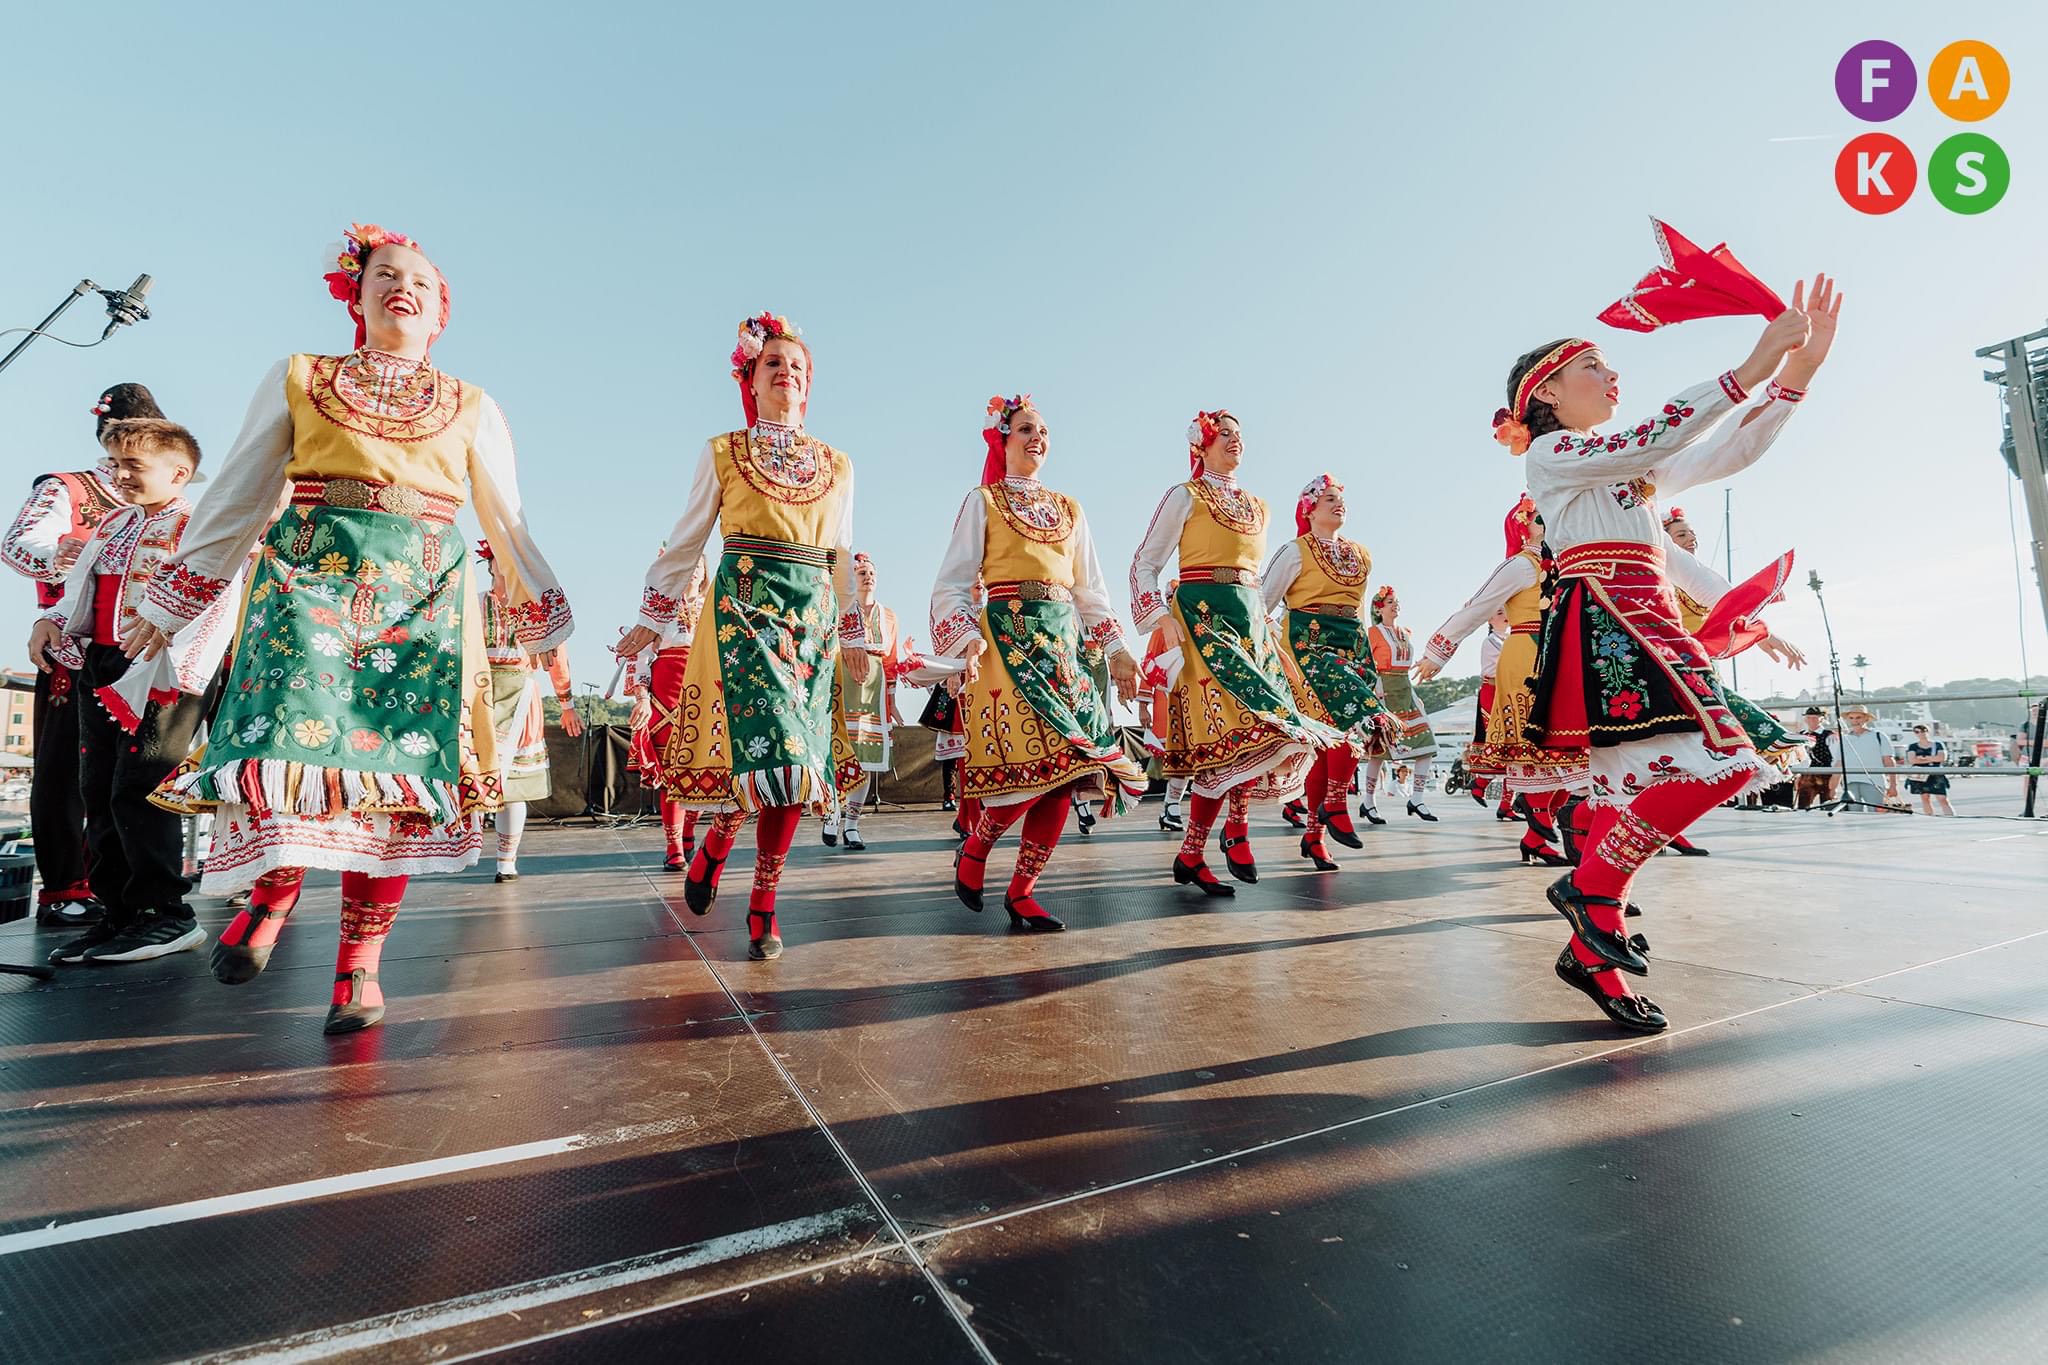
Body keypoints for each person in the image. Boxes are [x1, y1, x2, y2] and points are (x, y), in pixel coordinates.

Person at [123, 223, 575, 1033]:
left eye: (422, 283)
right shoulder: (301, 377)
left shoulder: (473, 404)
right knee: (293, 751)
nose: (402, 286)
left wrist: (545, 625)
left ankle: (358, 969)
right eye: (385, 274)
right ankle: (272, 895)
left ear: (441, 314)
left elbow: (508, 523)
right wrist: (170, 601)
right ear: (356, 295)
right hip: (307, 586)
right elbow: (238, 492)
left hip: (425, 605)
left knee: (399, 784)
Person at [1507, 271, 1841, 1034]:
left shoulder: (1629, 473)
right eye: (1593, 366)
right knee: (1729, 755)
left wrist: (1797, 374)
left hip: (1650, 618)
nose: (1611, 373)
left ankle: (1591, 942)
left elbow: (1727, 451)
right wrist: (1750, 367)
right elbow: (1659, 434)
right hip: (1614, 619)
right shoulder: (1556, 456)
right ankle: (1593, 893)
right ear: (1549, 392)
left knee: (1691, 769)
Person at [618, 312, 871, 961]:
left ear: (809, 385)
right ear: (751, 379)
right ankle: (717, 848)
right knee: (765, 754)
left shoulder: (838, 465)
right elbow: (689, 537)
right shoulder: (724, 452)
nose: (787, 371)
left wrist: (854, 636)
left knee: (795, 764)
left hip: (808, 624)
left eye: (798, 365)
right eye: (774, 363)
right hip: (744, 617)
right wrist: (651, 620)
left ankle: (760, 896)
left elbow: (841, 555)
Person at [932, 396, 1146, 930]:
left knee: (1070, 767)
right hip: (1007, 641)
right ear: (1001, 440)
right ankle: (977, 850)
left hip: (1064, 646)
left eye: (1044, 431)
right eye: (1026, 428)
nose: (1038, 437)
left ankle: (1023, 889)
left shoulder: (1071, 509)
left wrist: (1118, 650)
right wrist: (967, 639)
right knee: (1040, 762)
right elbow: (953, 583)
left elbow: (1090, 590)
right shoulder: (984, 501)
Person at [30, 418, 231, 964]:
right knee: (96, 787)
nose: (119, 475)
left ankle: (166, 913)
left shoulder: (201, 524)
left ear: (180, 472)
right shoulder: (115, 522)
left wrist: (185, 667)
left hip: (164, 666)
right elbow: (80, 588)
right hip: (103, 661)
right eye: (115, 464)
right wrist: (48, 620)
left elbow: (219, 596)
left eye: (133, 466)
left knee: (142, 786)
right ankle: (119, 912)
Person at [1130, 410, 1340, 895]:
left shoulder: (1257, 506)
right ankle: (1231, 833)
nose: (1234, 441)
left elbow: (1257, 582)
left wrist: (1269, 631)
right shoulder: (1185, 495)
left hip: (1250, 626)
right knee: (1242, 730)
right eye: (1223, 433)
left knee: (1256, 734)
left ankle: (1196, 850)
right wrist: (1158, 619)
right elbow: (1145, 563)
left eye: (1239, 435)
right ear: (1200, 445)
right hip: (1204, 622)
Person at [4, 387, 136, 927]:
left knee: (132, 769)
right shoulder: (69, 488)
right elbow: (17, 544)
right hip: (71, 645)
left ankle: (121, 880)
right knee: (64, 767)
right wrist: (56, 557)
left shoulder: (162, 502)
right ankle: (63, 888)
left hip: (138, 649)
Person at [1418, 494, 1581, 864]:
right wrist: (1438, 651)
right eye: (1542, 517)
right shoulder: (1520, 566)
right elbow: (1477, 606)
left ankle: (1536, 834)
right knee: (1539, 745)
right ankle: (1539, 831)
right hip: (1526, 655)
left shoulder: (1564, 564)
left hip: (1560, 654)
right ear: (1525, 525)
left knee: (1567, 753)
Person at [1262, 474, 1391, 869]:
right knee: (1356, 719)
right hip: (1309, 643)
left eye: (1341, 499)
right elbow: (1262, 602)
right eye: (1329, 499)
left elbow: (1361, 605)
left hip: (1351, 642)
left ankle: (1315, 835)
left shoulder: (1361, 554)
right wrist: (1268, 656)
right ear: (1310, 508)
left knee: (1333, 742)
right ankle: (1335, 802)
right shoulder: (1295, 552)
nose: (1339, 504)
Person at [479, 542, 582, 881]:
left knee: (514, 786)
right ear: (491, 565)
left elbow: (557, 655)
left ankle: (506, 861)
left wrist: (566, 703)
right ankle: (465, 851)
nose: (505, 570)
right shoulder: (476, 604)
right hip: (480, 693)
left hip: (521, 693)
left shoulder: (534, 609)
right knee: (472, 777)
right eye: (500, 562)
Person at [623, 552, 710, 870]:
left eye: (698, 566)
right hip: (665, 696)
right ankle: (674, 847)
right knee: (672, 775)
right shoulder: (658, 611)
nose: (693, 572)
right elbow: (641, 656)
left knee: (703, 773)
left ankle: (688, 834)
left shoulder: (714, 610)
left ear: (704, 573)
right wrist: (642, 697)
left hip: (704, 694)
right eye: (687, 566)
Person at [824, 552, 913, 852]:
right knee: (839, 752)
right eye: (861, 572)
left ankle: (852, 823)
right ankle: (832, 814)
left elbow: (890, 662)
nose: (867, 576)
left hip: (873, 692)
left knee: (867, 757)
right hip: (842, 686)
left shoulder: (889, 616)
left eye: (871, 572)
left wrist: (892, 701)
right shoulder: (838, 609)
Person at [1364, 586, 1439, 822]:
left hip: (1405, 688)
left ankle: (1417, 797)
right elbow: (1366, 663)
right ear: (1379, 608)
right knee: (1379, 750)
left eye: (1396, 602)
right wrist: (1374, 691)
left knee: (1426, 744)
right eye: (1389, 602)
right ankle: (1368, 801)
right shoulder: (1373, 633)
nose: (1395, 605)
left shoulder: (1406, 631)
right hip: (1384, 688)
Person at [1838, 704, 1901, 809]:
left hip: (1874, 781)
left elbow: (1889, 761)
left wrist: (1893, 785)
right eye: (1851, 718)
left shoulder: (1879, 736)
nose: (1855, 721)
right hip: (1850, 782)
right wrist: (1833, 787)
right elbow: (1839, 763)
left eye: (1858, 717)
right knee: (1853, 816)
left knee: (1875, 815)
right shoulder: (1844, 738)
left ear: (1866, 719)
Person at [1794, 705, 1838, 809]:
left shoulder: (1829, 735)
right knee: (1803, 807)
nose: (1811, 720)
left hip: (1826, 774)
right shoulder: (1801, 735)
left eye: (1814, 717)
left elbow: (1836, 758)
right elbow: (1798, 758)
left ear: (1821, 719)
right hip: (1807, 775)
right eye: (1808, 717)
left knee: (1828, 806)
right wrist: (1797, 775)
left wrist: (1834, 781)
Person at [1904, 723, 1954, 816]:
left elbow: (1942, 758)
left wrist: (1923, 758)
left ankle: (1951, 817)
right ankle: (1929, 817)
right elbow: (1912, 760)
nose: (1921, 733)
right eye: (1917, 731)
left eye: (1923, 730)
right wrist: (1932, 758)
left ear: (1928, 731)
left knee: (1942, 798)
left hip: (1936, 773)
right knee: (1925, 797)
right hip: (1921, 774)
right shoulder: (1913, 746)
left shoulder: (1937, 744)